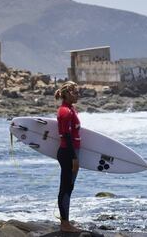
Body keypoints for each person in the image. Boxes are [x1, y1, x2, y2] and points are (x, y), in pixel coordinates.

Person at [54, 81, 82, 232]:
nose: (78, 95)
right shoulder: (65, 111)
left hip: (71, 152)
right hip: (67, 153)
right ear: (68, 93)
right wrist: (74, 159)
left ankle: (66, 221)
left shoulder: (71, 109)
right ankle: (65, 224)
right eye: (75, 92)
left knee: (69, 187)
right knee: (65, 187)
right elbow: (66, 135)